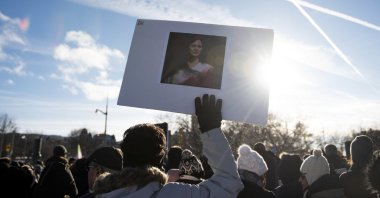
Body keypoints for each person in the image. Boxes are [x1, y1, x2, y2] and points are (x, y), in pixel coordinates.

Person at [90, 94, 243, 197]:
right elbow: (228, 184)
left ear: (124, 156)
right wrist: (211, 130)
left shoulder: (99, 194)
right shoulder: (173, 194)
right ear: (161, 157)